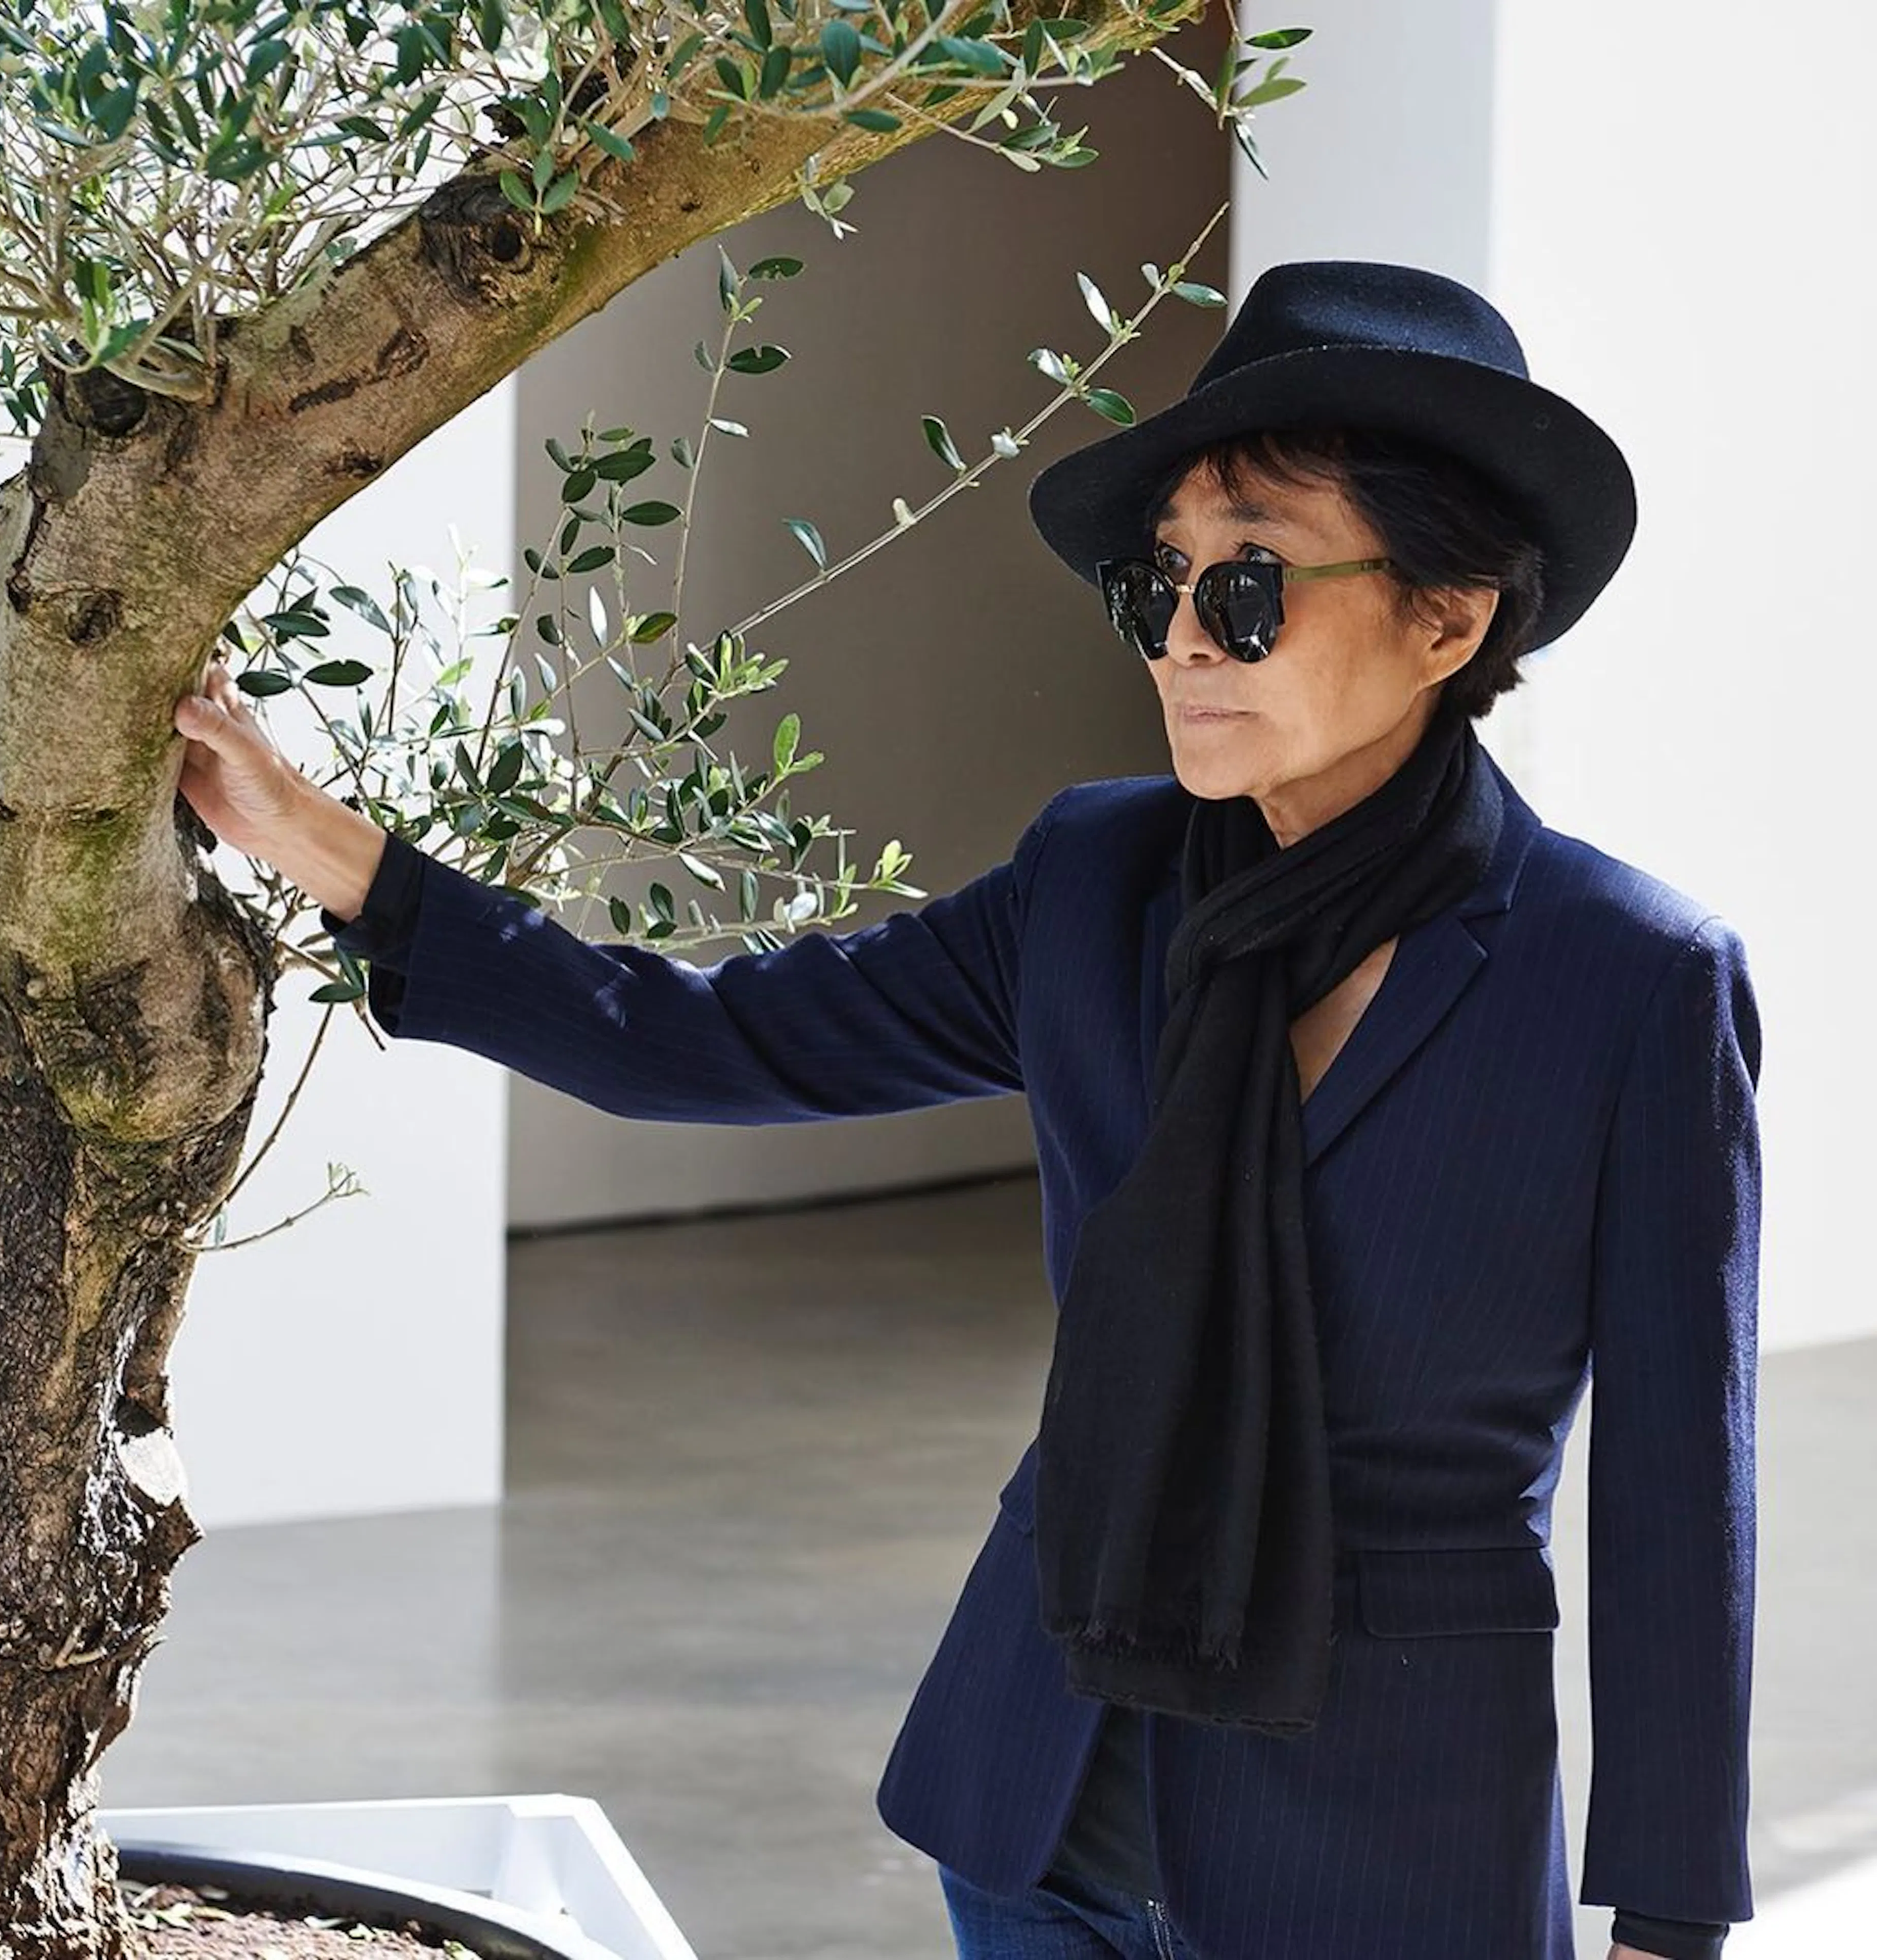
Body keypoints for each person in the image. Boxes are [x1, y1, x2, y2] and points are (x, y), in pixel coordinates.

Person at [172, 260, 1761, 1960]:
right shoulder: (1099, 882)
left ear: (1448, 618)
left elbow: (1680, 1492)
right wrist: (322, 848)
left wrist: (1669, 1924)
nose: (1178, 643)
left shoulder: (1628, 980)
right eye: (1158, 587)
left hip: (1381, 1840)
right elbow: (703, 1045)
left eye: (1249, 591)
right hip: (1041, 1783)